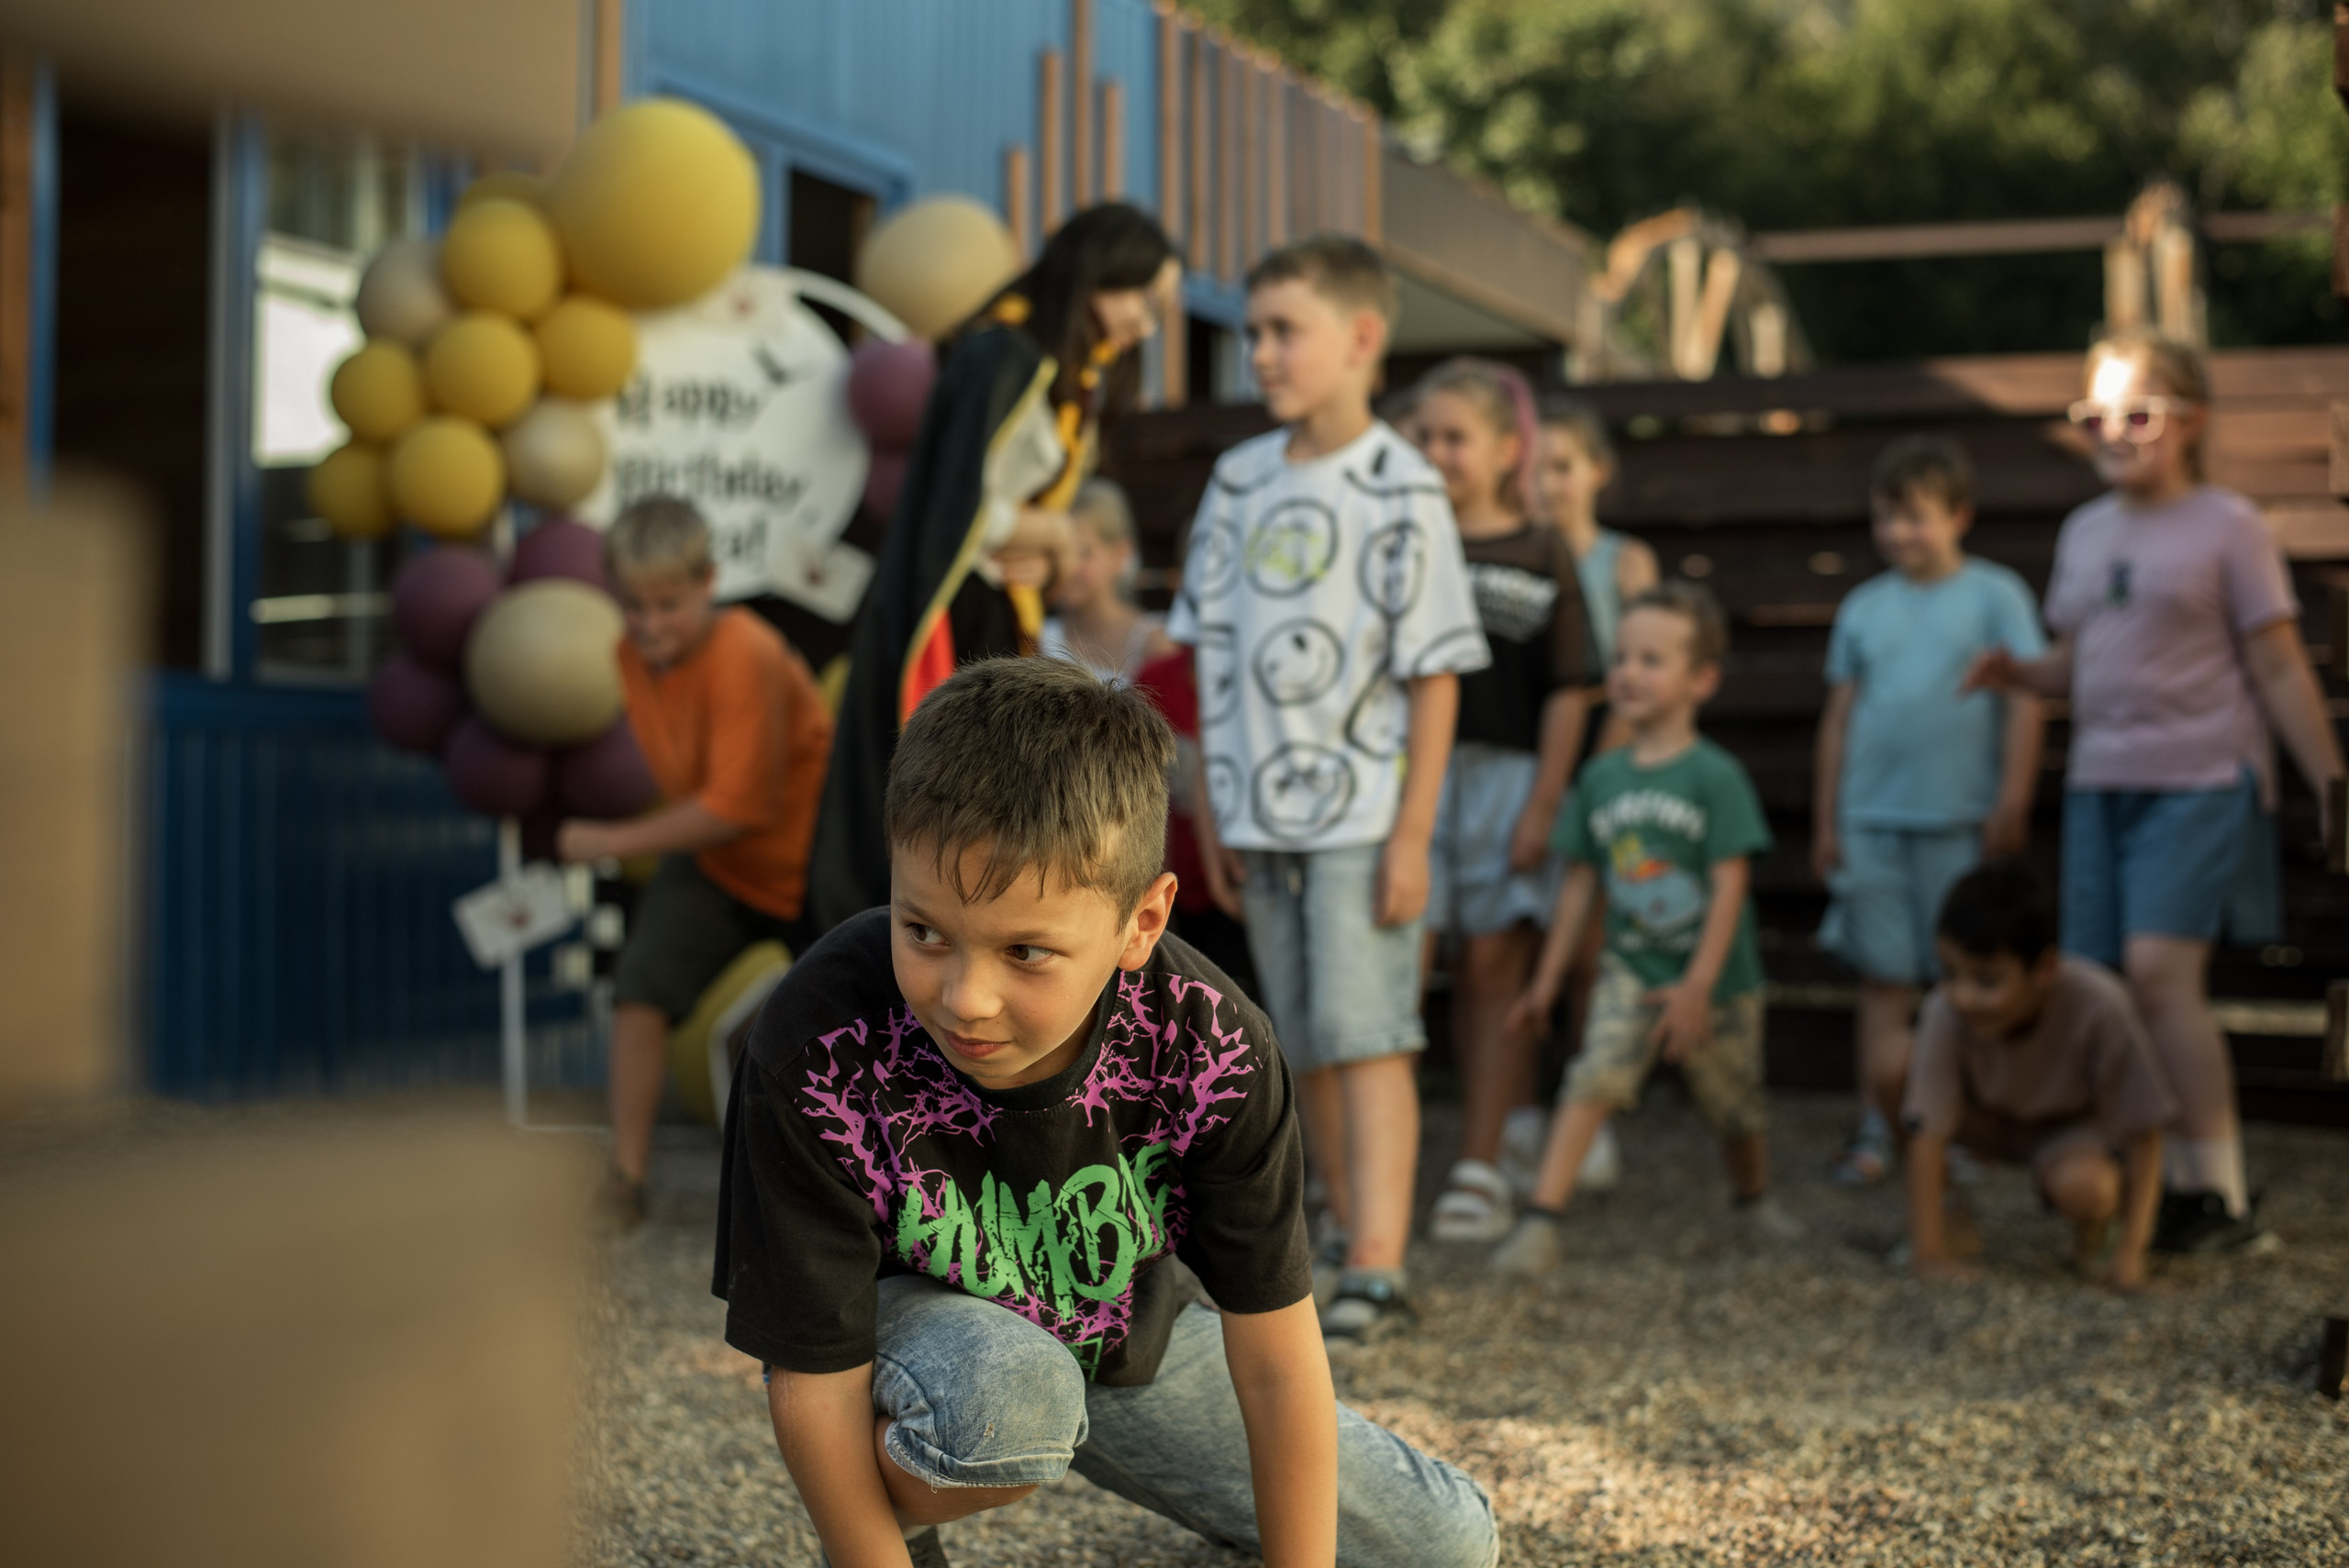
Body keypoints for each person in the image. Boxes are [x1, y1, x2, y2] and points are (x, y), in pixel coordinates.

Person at [714, 657, 1498, 1568]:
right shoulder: (816, 1040)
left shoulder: (1214, 1045)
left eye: (1025, 951)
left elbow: (1277, 1352)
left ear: (1142, 921)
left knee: (1449, 1544)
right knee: (1013, 1399)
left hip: (1115, 1331)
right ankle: (894, 1523)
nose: (965, 997)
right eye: (923, 930)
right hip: (916, 1340)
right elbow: (812, 1372)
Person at [1168, 234, 1489, 1346]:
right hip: (1258, 819)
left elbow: (1435, 671)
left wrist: (1412, 834)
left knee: (1369, 1033)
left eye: (1283, 331)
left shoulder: (1404, 485)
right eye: (1251, 332)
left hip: (1363, 819)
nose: (1259, 353)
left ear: (1360, 337)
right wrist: (1214, 807)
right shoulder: (1237, 478)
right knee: (1300, 1041)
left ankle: (1380, 1265)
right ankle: (1338, 1239)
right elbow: (1209, 655)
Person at [1966, 329, 2343, 1255]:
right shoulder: (2084, 531)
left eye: (2137, 414)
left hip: (2200, 779)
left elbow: (2278, 665)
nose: (2113, 432)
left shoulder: (2230, 525)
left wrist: (2333, 782)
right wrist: (2017, 672)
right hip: (2101, 783)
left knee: (2160, 974)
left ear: (2191, 421)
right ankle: (2153, 1180)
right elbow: (2079, 662)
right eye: (2094, 414)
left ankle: (2217, 1189)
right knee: (2101, 982)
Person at [811, 204, 1182, 930]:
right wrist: (1054, 531)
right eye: (1145, 301)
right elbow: (959, 507)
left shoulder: (1062, 368)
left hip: (999, 605)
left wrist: (1047, 547)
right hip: (950, 613)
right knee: (933, 799)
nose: (1147, 325)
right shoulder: (1003, 353)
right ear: (1101, 272)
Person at [1491, 583, 1800, 1273]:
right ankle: (1542, 1218)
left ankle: (1753, 1198)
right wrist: (1546, 980)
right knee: (1593, 1076)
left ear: (1702, 680)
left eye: (1652, 659)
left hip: (1718, 982)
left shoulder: (1716, 777)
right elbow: (1580, 884)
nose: (1629, 672)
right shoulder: (1600, 778)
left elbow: (1730, 889)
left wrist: (1698, 987)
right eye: (1622, 656)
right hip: (1630, 967)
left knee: (1735, 1107)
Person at [556, 497, 832, 1227]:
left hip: (811, 866)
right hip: (719, 864)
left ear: (708, 582)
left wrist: (608, 839)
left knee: (854, 1018)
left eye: (668, 605)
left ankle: (869, 1193)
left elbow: (738, 804)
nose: (648, 625)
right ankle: (626, 1180)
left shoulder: (745, 649)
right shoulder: (629, 657)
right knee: (640, 988)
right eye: (634, 606)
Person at [1811, 436, 2046, 1187]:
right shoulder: (1863, 607)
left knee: (1965, 983)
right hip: (1869, 821)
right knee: (1883, 980)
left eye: (1915, 516)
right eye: (1886, 516)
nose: (1898, 532)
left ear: (1959, 516)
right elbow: (1839, 719)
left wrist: (2012, 798)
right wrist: (1826, 820)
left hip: (1959, 820)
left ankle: (1960, 1126)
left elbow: (2027, 700)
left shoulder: (1996, 595)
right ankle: (1879, 1126)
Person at [1408, 358, 1595, 1242]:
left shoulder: (1543, 548)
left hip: (1508, 779)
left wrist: (1544, 802)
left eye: (1456, 437)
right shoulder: (1400, 539)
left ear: (1505, 449)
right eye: (1425, 435)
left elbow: (1571, 687)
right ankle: (1365, 1175)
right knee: (1402, 968)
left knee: (1494, 969)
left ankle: (1479, 1166)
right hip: (1409, 776)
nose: (1437, 452)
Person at [1903, 861, 2175, 1292]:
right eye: (1949, 973)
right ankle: (1948, 1212)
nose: (1963, 996)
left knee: (2087, 1189)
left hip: (2068, 1134)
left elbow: (2144, 1132)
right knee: (1894, 1067)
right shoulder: (1945, 1008)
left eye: (1987, 980)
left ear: (2045, 969)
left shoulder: (2099, 1003)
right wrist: (1928, 1254)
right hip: (1987, 1124)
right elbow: (1926, 1130)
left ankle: (2099, 1232)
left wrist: (2131, 1255)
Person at [1513, 397, 1659, 1194]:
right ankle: (1521, 1112)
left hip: (1606, 756)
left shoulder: (1624, 561)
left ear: (1599, 471)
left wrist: (1593, 783)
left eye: (1563, 466)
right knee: (1516, 940)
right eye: (1535, 467)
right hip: (1529, 753)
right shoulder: (1517, 554)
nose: (1547, 483)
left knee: (1588, 947)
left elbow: (1639, 675)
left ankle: (1585, 1104)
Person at [1039, 478, 1173, 684]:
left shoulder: (1152, 644)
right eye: (1057, 553)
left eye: (1084, 552)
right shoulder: (1037, 640)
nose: (1067, 566)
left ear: (1120, 555)